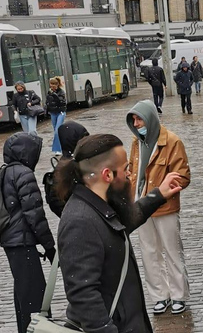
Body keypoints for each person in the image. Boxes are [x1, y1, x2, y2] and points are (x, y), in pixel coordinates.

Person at [55, 134, 184, 333]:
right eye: (126, 169)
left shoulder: (97, 204)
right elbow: (83, 294)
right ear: (107, 175)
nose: (130, 175)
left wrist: (157, 195)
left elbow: (121, 223)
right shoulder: (79, 220)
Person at [127, 100, 191, 314]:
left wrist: (164, 190)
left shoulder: (172, 142)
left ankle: (179, 295)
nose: (136, 124)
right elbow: (133, 172)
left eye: (139, 119)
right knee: (149, 253)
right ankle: (159, 296)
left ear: (150, 118)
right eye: (134, 120)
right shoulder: (136, 144)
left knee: (172, 251)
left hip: (165, 207)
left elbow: (183, 176)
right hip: (140, 207)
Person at [0, 132, 55, 333]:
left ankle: (26, 328)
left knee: (23, 294)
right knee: (34, 296)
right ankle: (36, 329)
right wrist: (50, 247)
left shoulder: (6, 171)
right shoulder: (24, 174)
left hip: (11, 242)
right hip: (22, 242)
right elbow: (35, 216)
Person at [45, 76, 67, 156]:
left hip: (60, 112)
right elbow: (48, 102)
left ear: (57, 85)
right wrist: (46, 111)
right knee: (56, 131)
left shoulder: (61, 92)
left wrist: (54, 95)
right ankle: (62, 147)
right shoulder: (49, 92)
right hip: (53, 113)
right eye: (51, 84)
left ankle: (57, 149)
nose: (52, 86)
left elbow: (62, 102)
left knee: (57, 131)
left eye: (54, 84)